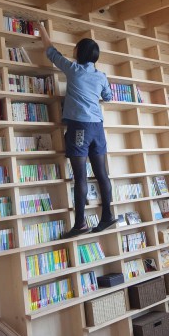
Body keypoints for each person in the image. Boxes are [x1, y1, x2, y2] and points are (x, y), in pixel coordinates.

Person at [36, 22, 117, 239]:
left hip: (80, 127)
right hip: (98, 127)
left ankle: (80, 223)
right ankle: (107, 216)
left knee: (80, 177)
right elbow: (108, 98)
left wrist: (42, 28)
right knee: (101, 173)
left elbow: (51, 51)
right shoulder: (101, 76)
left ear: (79, 53)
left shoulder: (73, 70)